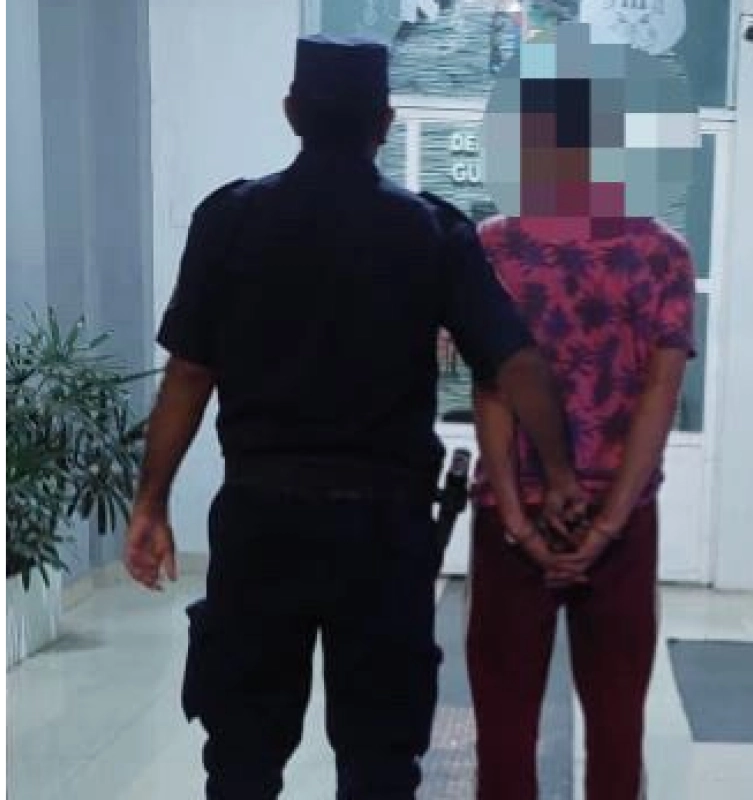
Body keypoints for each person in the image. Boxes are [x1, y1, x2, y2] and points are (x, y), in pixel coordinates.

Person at [124, 35, 584, 800]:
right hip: (383, 532)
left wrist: (152, 502)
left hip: (261, 522)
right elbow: (516, 364)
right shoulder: (431, 231)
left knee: (241, 755)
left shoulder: (230, 219)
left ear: (291, 112)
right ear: (385, 123)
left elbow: (189, 374)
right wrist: (561, 473)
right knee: (380, 760)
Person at [466, 74, 697, 799]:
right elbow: (660, 395)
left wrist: (518, 521)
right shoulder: (662, 254)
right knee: (617, 728)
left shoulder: (493, 248)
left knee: (505, 728)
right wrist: (607, 526)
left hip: (512, 517)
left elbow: (492, 388)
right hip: (620, 522)